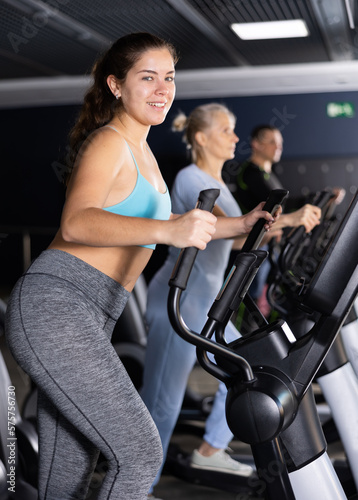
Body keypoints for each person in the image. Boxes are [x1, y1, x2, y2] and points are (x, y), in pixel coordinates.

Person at [4, 33, 218, 500]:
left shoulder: (145, 155)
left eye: (169, 78)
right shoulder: (109, 142)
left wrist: (241, 224)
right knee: (140, 451)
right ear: (116, 85)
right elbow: (78, 222)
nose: (163, 88)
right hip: (56, 306)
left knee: (70, 467)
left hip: (92, 313)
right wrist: (169, 232)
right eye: (148, 77)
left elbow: (169, 224)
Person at [141, 103, 283, 497]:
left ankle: (210, 449)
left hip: (208, 303)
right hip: (181, 300)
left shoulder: (220, 181)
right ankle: (140, 485)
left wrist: (281, 221)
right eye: (226, 130)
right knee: (162, 401)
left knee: (246, 370)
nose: (236, 138)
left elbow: (243, 233)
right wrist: (283, 219)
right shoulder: (191, 178)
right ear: (201, 138)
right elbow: (233, 232)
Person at [234, 124, 323, 308]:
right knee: (247, 305)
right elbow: (272, 211)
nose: (278, 147)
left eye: (280, 143)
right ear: (256, 144)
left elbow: (284, 205)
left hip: (267, 246)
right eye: (272, 142)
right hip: (250, 249)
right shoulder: (250, 173)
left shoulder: (267, 174)